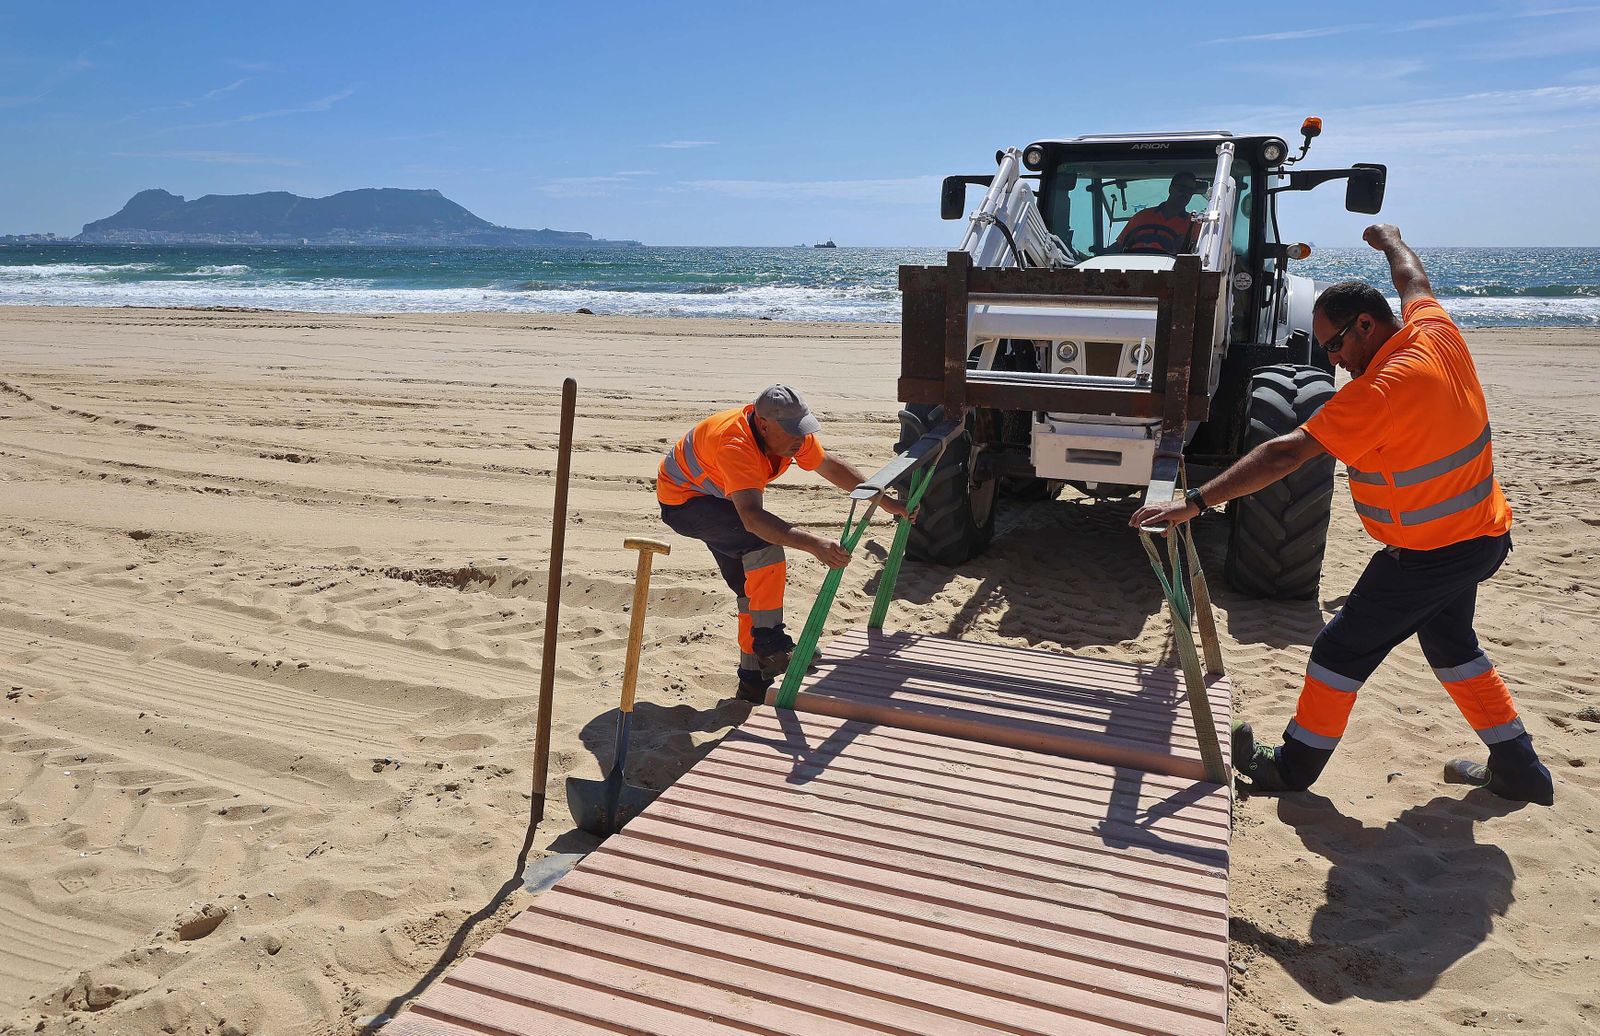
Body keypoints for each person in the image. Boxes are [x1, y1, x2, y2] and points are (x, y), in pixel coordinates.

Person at [1130, 224, 1554, 806]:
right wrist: (1391, 240)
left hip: (1429, 554)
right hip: (1482, 534)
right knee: (1452, 646)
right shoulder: (1436, 331)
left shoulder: (1380, 390)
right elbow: (1413, 278)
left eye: (1333, 345)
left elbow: (1285, 452)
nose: (1332, 359)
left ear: (1366, 327)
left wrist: (1195, 501)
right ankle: (1521, 770)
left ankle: (1292, 768)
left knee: (1338, 653)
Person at [657, 385, 908, 703]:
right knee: (763, 546)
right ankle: (771, 645)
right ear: (763, 425)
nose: (800, 439)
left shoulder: (792, 437)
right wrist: (814, 544)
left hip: (721, 499)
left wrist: (886, 502)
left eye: (803, 429)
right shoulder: (736, 444)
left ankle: (752, 681)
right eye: (792, 431)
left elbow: (828, 466)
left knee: (751, 590)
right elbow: (751, 518)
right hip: (685, 502)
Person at [1115, 172, 1203, 255]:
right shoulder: (1141, 217)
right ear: (1170, 189)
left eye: (1190, 191)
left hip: (1171, 266)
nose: (1185, 194)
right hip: (1133, 263)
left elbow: (1196, 254)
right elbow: (1118, 246)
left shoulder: (1193, 225)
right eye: (1182, 188)